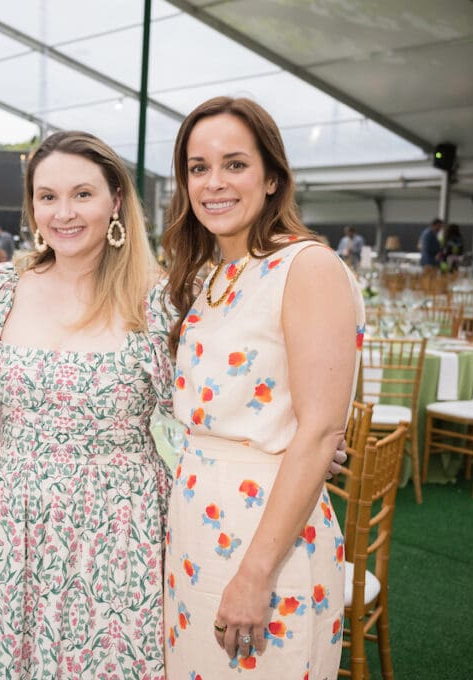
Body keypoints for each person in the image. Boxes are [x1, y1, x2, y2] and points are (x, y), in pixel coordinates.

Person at [161, 97, 362, 678]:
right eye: (198, 168)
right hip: (197, 534)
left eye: (235, 164)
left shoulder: (308, 267)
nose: (214, 183)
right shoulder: (214, 276)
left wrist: (254, 575)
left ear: (272, 177)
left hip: (269, 547)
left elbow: (322, 430)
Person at [0, 130, 173, 678]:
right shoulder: (0, 287)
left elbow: (203, 410)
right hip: (17, 523)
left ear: (115, 200)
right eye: (48, 196)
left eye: (82, 194)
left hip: (120, 526)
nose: (64, 212)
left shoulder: (158, 297)